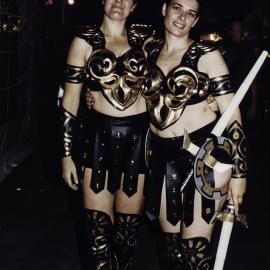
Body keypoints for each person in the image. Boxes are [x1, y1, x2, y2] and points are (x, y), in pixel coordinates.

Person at [140, 0, 247, 269]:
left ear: (196, 20)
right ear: (164, 8)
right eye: (177, 8)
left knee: (194, 251)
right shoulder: (148, 51)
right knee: (172, 251)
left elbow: (232, 115)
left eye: (191, 14)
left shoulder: (207, 55)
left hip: (205, 159)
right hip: (162, 159)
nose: (182, 18)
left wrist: (239, 174)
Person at [60, 0, 156, 269]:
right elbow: (70, 100)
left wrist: (206, 99)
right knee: (97, 235)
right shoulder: (84, 40)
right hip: (96, 143)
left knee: (127, 236)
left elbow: (177, 67)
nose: (119, 2)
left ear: (135, 6)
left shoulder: (147, 40)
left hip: (138, 144)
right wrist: (66, 155)